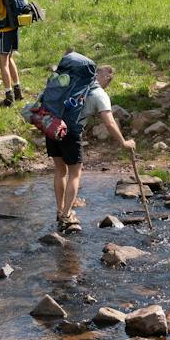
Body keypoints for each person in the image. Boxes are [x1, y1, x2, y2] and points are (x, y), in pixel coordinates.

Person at [48, 62, 135, 234]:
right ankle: (66, 215)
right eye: (109, 80)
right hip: (70, 133)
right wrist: (124, 143)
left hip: (52, 126)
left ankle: (60, 212)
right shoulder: (99, 94)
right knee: (75, 173)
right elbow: (109, 123)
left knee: (60, 170)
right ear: (106, 78)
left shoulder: (74, 84)